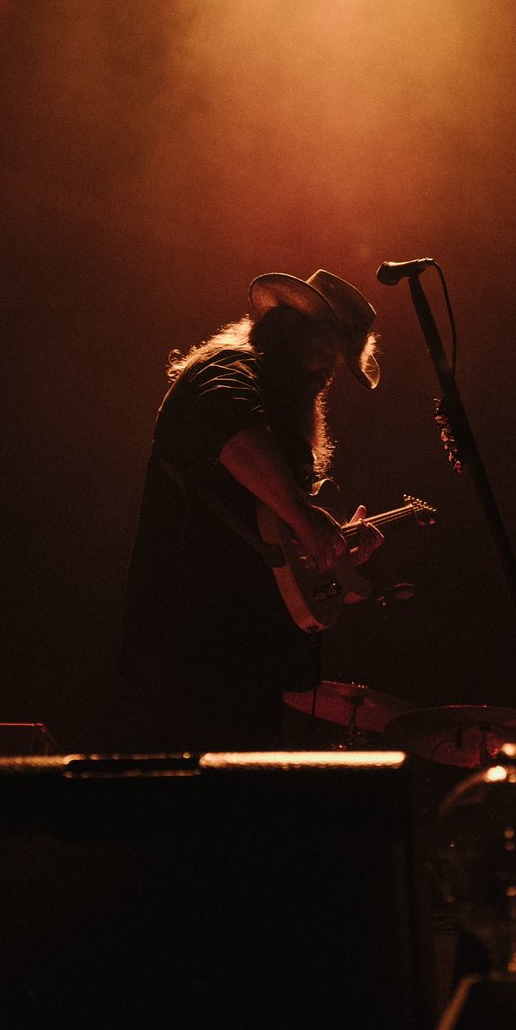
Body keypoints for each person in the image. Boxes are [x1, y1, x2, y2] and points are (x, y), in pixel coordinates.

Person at [118, 269, 385, 751]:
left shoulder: (276, 402)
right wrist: (306, 519)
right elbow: (231, 430)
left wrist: (332, 558)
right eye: (325, 354)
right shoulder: (226, 368)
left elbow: (274, 542)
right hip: (187, 646)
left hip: (238, 655)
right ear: (291, 333)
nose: (328, 373)